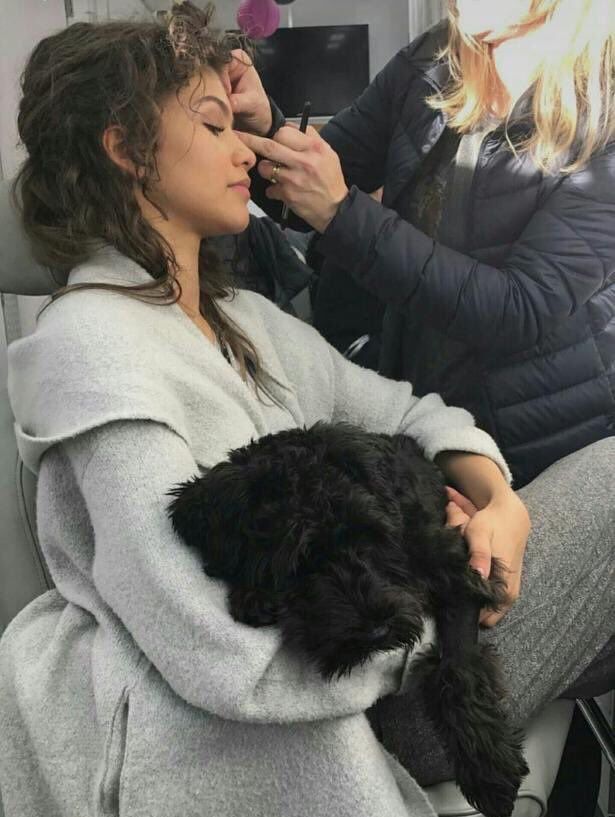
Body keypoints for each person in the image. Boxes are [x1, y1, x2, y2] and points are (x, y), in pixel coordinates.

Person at [0, 4, 612, 816]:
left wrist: (496, 501)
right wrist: (432, 597)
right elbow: (222, 653)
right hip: (358, 689)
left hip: (384, 644)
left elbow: (411, 407)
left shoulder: (244, 323)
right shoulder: (94, 353)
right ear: (123, 149)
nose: (243, 153)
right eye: (215, 126)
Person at [234, 0, 615, 490]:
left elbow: (520, 310)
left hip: (545, 441)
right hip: (425, 408)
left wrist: (338, 213)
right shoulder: (435, 57)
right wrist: (265, 128)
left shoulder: (604, 113)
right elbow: (323, 178)